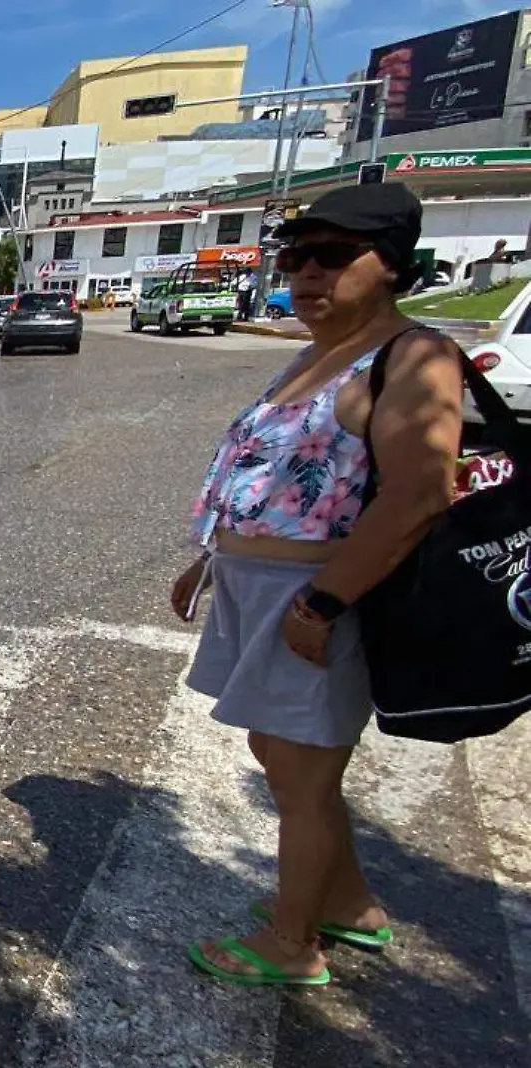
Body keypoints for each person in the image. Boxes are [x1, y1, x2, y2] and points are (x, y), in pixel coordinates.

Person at [175, 183, 464, 987]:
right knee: (277, 752)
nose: (307, 274)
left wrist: (324, 600)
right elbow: (272, 473)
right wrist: (210, 557)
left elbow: (418, 493)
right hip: (256, 586)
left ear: (394, 267)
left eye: (333, 257)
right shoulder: (317, 353)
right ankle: (352, 906)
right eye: (296, 257)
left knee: (303, 777)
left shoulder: (413, 356)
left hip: (311, 598)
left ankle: (291, 943)